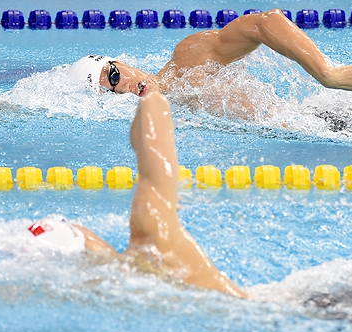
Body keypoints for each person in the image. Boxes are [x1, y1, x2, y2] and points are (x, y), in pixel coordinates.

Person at [26, 91, 247, 299]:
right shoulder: (152, 241)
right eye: (68, 223)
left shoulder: (119, 292)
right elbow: (155, 110)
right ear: (84, 242)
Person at [67, 9, 352, 99]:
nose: (120, 89)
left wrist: (327, 74)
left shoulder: (185, 64)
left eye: (114, 76)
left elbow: (264, 23)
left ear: (122, 63)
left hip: (331, 123)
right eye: (108, 95)